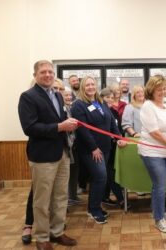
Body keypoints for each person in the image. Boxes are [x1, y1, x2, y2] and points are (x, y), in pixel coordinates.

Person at [18, 60, 78, 249]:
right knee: (42, 200)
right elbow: (29, 127)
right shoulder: (28, 97)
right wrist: (60, 126)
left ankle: (57, 232)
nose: (48, 75)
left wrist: (68, 122)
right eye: (43, 72)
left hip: (62, 154)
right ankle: (42, 238)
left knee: (61, 196)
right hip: (43, 156)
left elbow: (59, 119)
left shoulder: (58, 96)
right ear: (35, 75)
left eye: (50, 72)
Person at [71, 76, 127, 224]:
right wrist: (93, 148)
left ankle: (93, 207)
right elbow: (82, 129)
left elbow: (111, 122)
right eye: (87, 85)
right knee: (101, 176)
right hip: (91, 150)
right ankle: (94, 209)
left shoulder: (100, 102)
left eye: (92, 84)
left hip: (106, 148)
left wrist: (118, 137)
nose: (90, 87)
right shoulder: (79, 105)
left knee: (98, 178)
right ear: (83, 87)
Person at [138, 75, 166, 233]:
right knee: (160, 185)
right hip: (152, 151)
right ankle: (159, 219)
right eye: (159, 89)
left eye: (164, 88)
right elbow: (155, 133)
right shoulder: (147, 106)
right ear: (151, 89)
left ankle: (158, 210)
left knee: (159, 184)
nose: (162, 91)